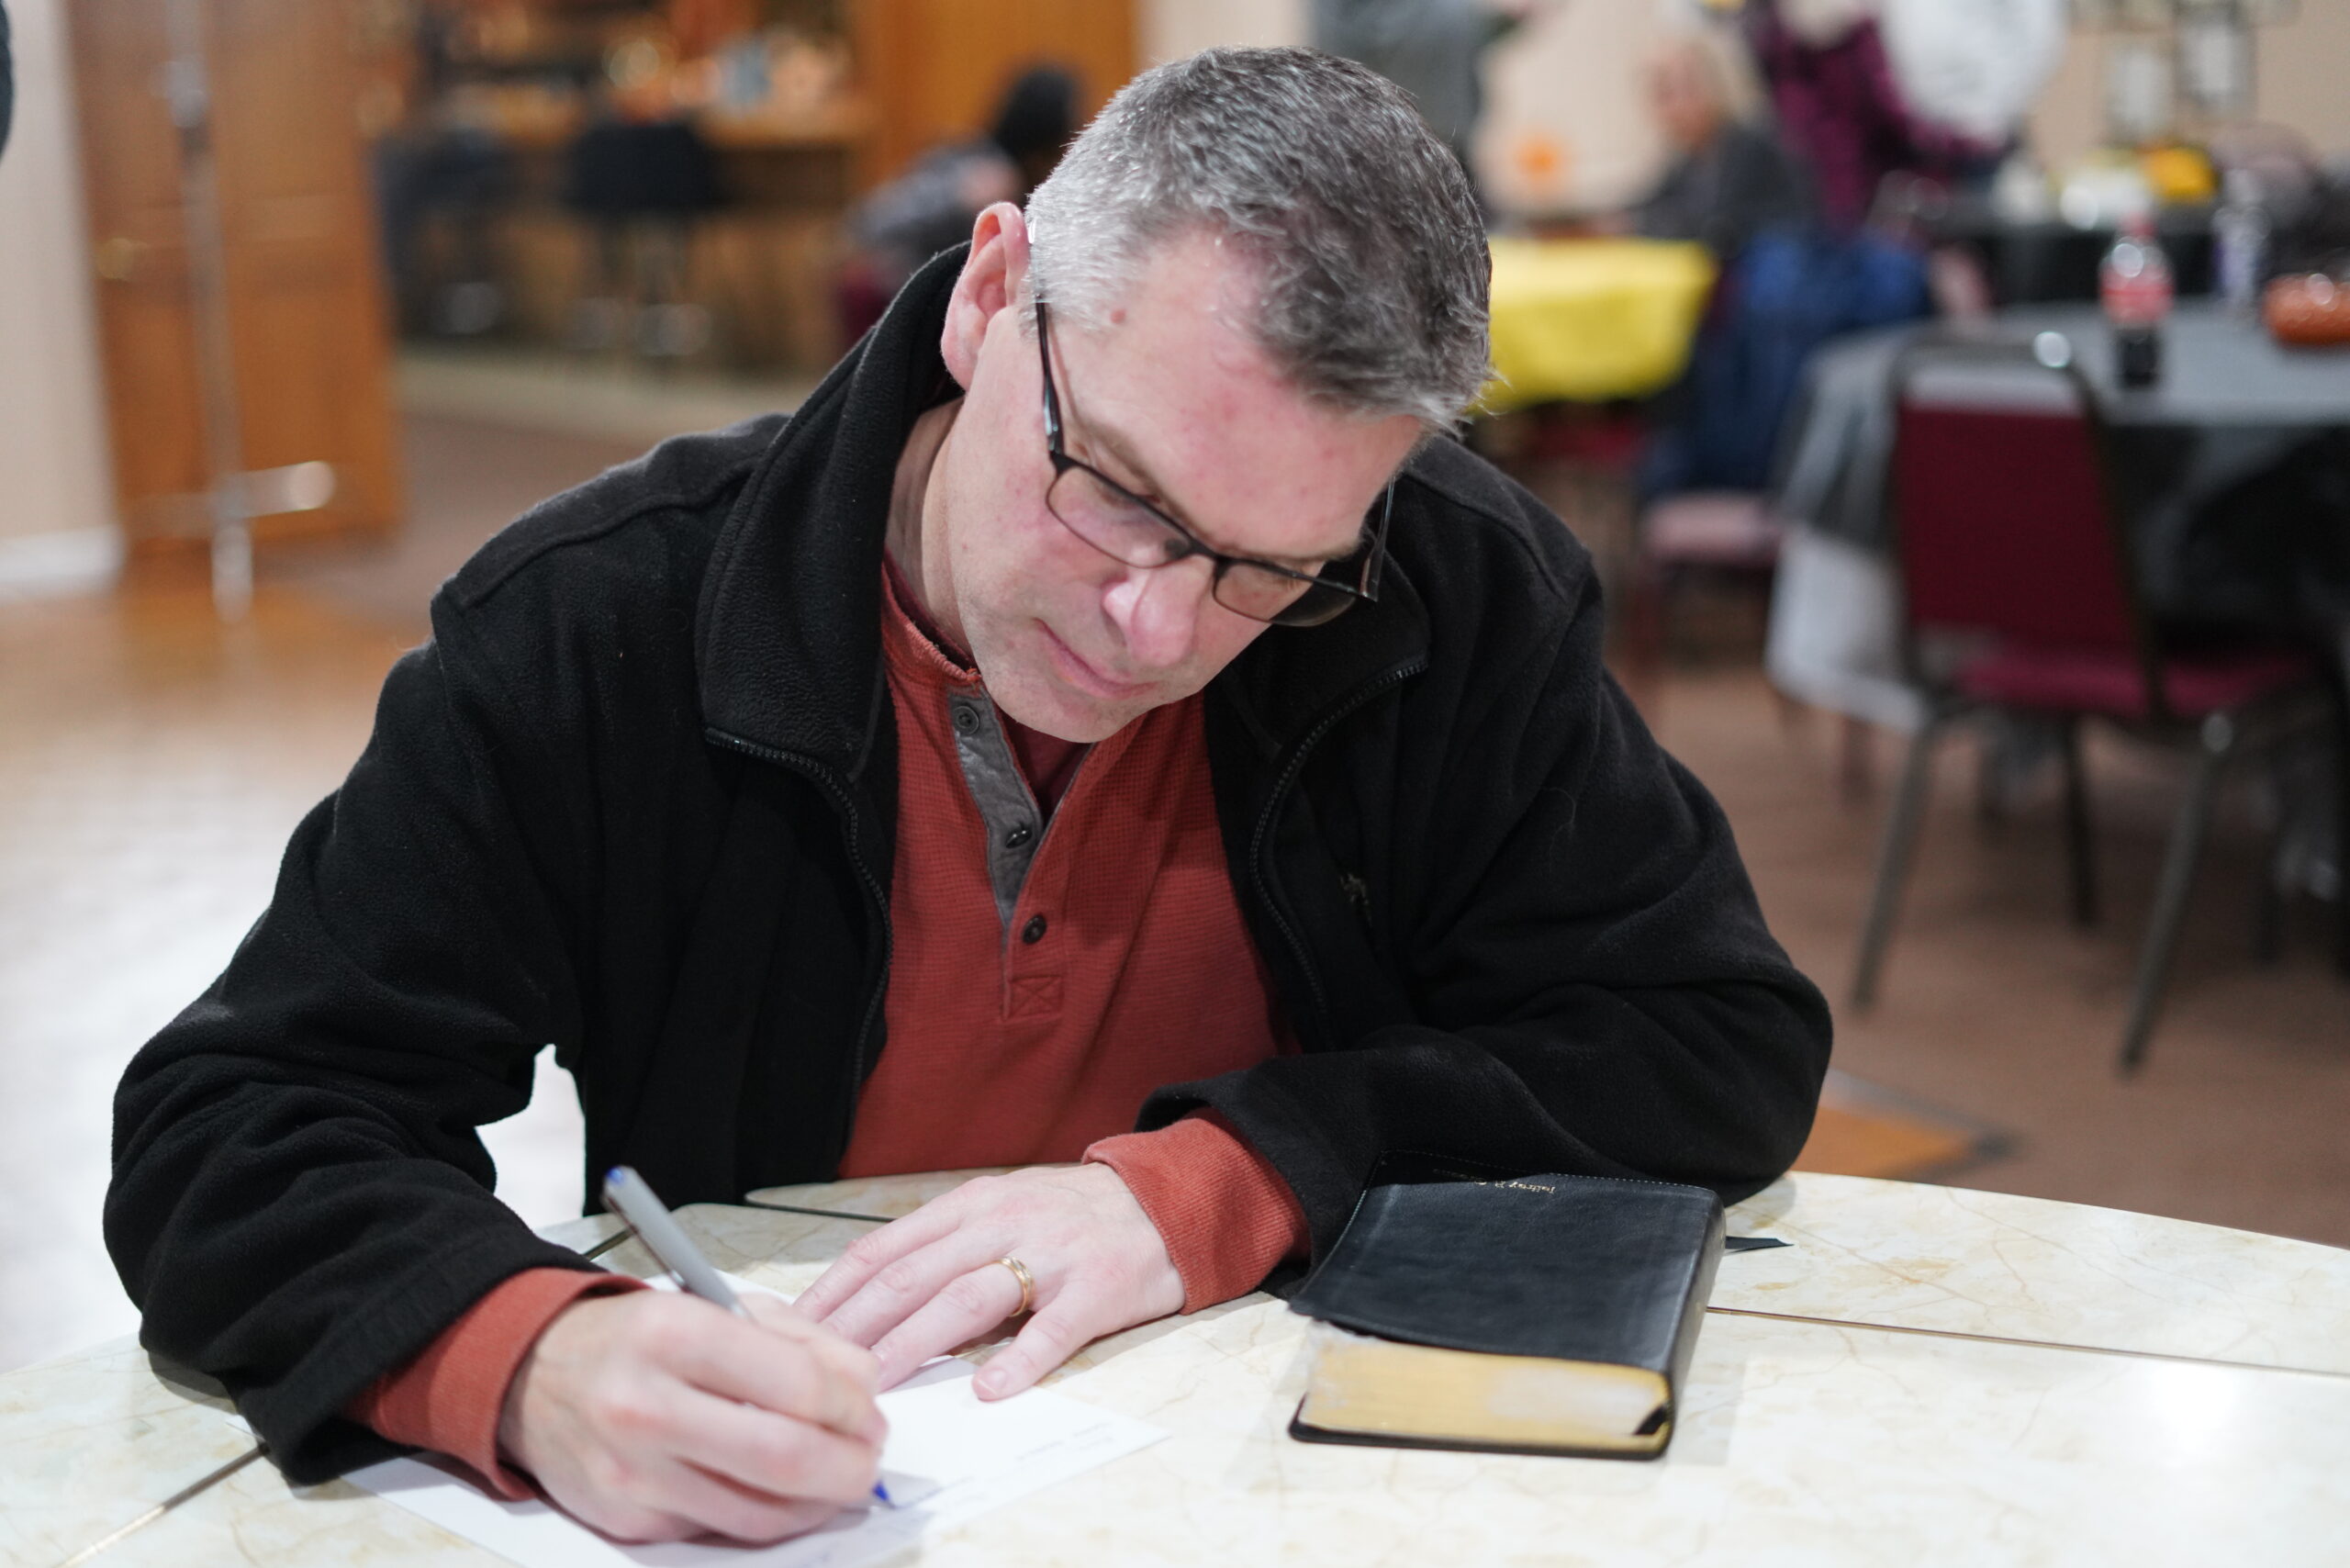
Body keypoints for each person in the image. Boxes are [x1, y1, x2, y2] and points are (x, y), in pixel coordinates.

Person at [106, 47, 1830, 1548]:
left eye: (1268, 572)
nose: (1157, 628)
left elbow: (1706, 1035)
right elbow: (233, 1125)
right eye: (1117, 491)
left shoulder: (1446, 586)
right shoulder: (603, 626)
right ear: (991, 293)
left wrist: (1234, 1177)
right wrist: (532, 1353)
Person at [1632, 32, 1813, 263]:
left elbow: (1717, 230)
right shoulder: (1688, 162)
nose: (1666, 111)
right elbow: (1652, 208)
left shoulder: (1749, 149)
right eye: (1656, 96)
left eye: (1669, 92)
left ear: (1709, 86)